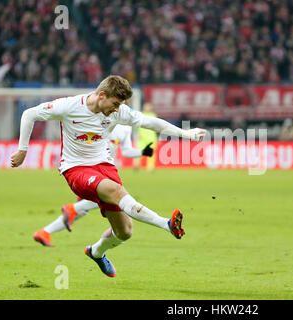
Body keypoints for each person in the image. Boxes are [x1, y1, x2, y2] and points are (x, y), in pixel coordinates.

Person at [11, 75, 206, 277]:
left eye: (119, 105)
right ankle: (166, 224)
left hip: (105, 167)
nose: (116, 108)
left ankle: (96, 252)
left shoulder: (118, 112)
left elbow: (151, 123)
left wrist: (186, 134)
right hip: (76, 169)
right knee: (115, 190)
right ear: (102, 95)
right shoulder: (69, 106)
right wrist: (22, 150)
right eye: (114, 103)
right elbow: (29, 114)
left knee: (124, 232)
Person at [33, 124, 155, 247]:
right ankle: (73, 210)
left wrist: (142, 152)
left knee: (87, 209)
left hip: (107, 172)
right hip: (89, 171)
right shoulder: (101, 119)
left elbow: (126, 150)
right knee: (113, 198)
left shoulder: (125, 128)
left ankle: (45, 232)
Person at [136, 102, 158, 172]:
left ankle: (150, 167)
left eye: (148, 107)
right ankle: (136, 165)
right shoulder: (140, 115)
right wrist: (138, 133)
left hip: (151, 137)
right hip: (142, 137)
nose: (147, 108)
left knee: (151, 153)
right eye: (146, 106)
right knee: (140, 152)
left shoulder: (153, 115)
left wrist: (157, 137)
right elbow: (137, 125)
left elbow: (157, 126)